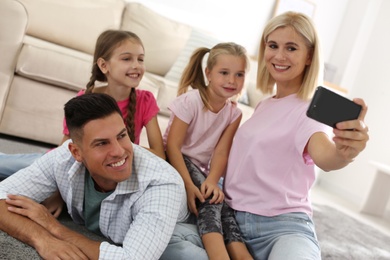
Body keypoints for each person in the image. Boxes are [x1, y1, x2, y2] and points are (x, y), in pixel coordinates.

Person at [222, 11, 370, 259]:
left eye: (291, 48)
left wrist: (344, 153)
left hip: (283, 227)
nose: (279, 56)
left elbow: (325, 156)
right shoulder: (265, 105)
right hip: (233, 222)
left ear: (309, 56)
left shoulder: (310, 111)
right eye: (273, 46)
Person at [0, 93, 188, 259]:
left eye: (122, 136)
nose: (118, 151)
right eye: (102, 143)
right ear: (76, 152)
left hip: (180, 231)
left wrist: (54, 228)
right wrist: (41, 239)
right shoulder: (63, 157)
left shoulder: (161, 184)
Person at [0, 29, 165, 181]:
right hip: (68, 163)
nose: (136, 65)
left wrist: (122, 149)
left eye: (141, 59)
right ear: (103, 65)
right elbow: (65, 148)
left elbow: (159, 154)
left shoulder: (146, 100)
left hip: (100, 166)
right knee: (10, 166)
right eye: (127, 58)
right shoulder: (85, 98)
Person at [164, 42, 253, 260]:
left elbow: (222, 153)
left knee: (224, 207)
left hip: (199, 168)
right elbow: (172, 147)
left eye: (239, 74)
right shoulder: (191, 101)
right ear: (209, 74)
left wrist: (212, 181)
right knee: (210, 202)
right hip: (174, 160)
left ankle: (242, 255)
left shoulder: (234, 113)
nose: (232, 81)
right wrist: (188, 183)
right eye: (224, 73)